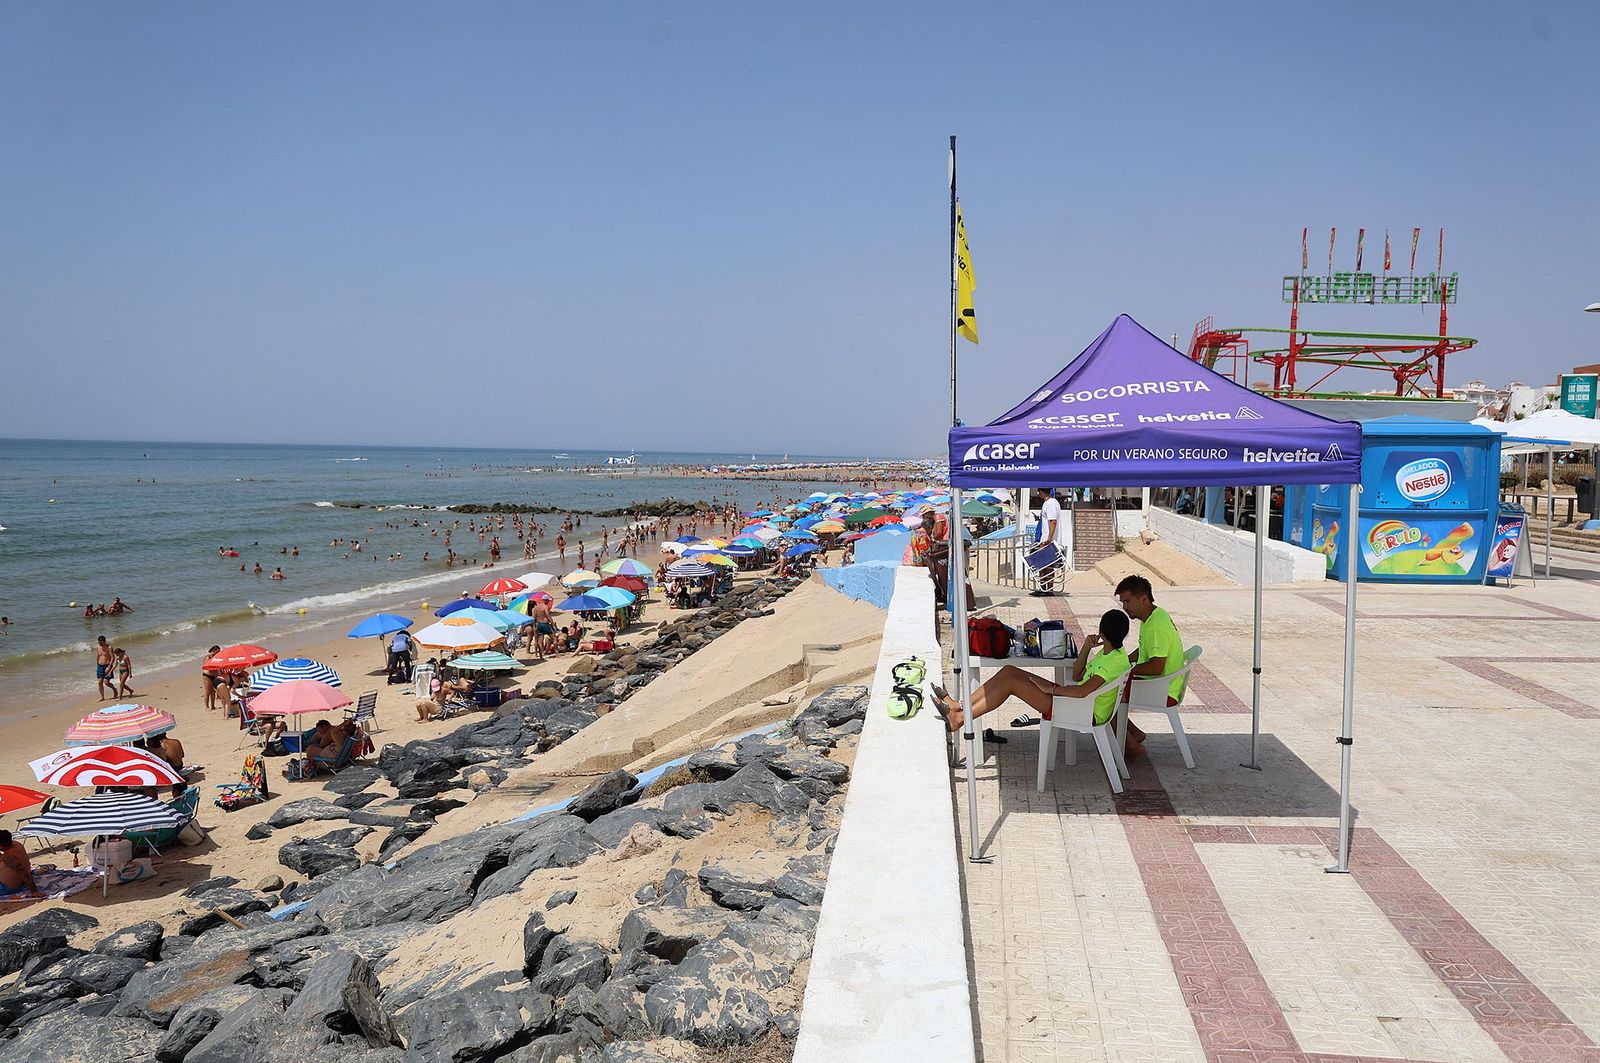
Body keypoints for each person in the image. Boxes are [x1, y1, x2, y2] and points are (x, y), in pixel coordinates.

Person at [932, 610, 1132, 738]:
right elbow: (1078, 676)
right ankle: (959, 706)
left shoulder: (1115, 661)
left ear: (1101, 631)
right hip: (1074, 702)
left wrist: (1052, 689)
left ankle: (960, 719)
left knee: (1010, 683)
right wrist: (1087, 647)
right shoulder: (1110, 652)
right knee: (1009, 671)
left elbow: (1082, 691)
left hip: (1081, 710)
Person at [1114, 575, 1187, 758]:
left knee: (1103, 695)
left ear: (1144, 599)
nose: (1124, 607)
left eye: (1127, 601)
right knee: (1107, 685)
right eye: (1122, 602)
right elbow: (1143, 649)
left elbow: (1156, 668)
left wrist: (1125, 671)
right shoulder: (1154, 616)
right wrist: (1121, 663)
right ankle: (1134, 734)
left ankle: (1132, 747)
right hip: (1160, 684)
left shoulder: (1155, 626)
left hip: (1162, 689)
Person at [1033, 488, 1068, 596]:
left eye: (1039, 491)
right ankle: (1043, 588)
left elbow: (1053, 522)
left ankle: (1048, 589)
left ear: (1042, 492)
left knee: (1048, 566)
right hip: (1045, 540)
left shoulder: (1051, 503)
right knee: (1043, 565)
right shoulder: (1048, 503)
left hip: (1049, 541)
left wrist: (1049, 539)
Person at [0, 830, 41, 898]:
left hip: (7, 887)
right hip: (19, 882)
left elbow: (24, 873)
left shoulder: (10, 857)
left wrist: (34, 891)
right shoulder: (16, 844)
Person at [94, 635, 116, 701]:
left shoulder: (109, 647)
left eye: (101, 642)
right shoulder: (98, 647)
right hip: (100, 666)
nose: (100, 643)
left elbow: (112, 657)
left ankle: (114, 689)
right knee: (100, 682)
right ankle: (102, 697)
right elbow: (98, 656)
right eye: (99, 642)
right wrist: (97, 665)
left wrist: (109, 666)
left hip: (107, 665)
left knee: (106, 683)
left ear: (104, 641)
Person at [202, 645, 223, 711]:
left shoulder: (216, 658)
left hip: (214, 676)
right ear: (214, 651)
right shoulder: (208, 657)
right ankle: (207, 707)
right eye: (217, 651)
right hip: (207, 676)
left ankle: (213, 706)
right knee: (207, 691)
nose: (218, 653)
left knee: (213, 691)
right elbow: (207, 666)